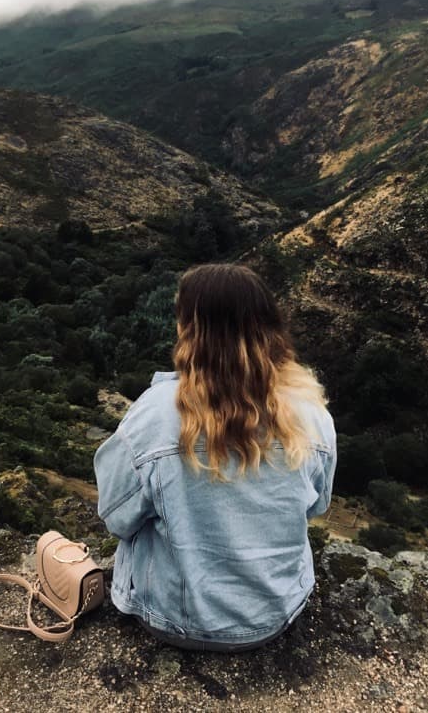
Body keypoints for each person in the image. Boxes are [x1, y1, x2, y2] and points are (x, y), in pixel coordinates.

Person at [93, 263, 336, 652]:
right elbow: (316, 507)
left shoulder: (153, 416)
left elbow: (116, 516)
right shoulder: (312, 413)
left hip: (175, 620)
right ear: (269, 328)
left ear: (190, 331)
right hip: (277, 614)